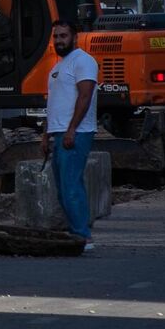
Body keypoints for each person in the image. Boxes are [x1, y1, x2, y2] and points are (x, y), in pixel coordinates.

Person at [42, 20, 100, 252]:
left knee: (71, 185)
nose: (59, 40)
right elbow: (54, 104)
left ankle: (83, 236)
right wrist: (45, 135)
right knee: (63, 187)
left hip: (75, 133)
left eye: (63, 36)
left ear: (74, 37)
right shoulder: (58, 66)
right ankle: (75, 231)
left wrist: (72, 129)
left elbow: (85, 96)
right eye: (56, 36)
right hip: (59, 133)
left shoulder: (83, 61)